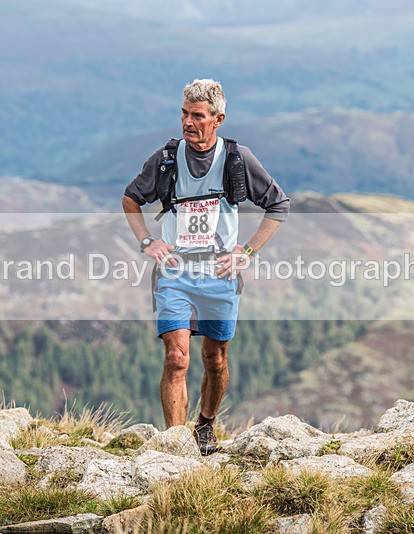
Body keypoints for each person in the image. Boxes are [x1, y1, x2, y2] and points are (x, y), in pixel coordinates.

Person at [122, 79, 289, 455]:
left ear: (218, 119)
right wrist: (147, 241)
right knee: (176, 357)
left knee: (215, 359)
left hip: (220, 274)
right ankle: (176, 446)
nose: (187, 122)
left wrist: (247, 251)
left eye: (197, 115)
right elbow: (131, 198)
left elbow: (278, 205)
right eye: (184, 113)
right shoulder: (167, 158)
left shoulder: (236, 158)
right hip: (174, 272)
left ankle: (205, 426)